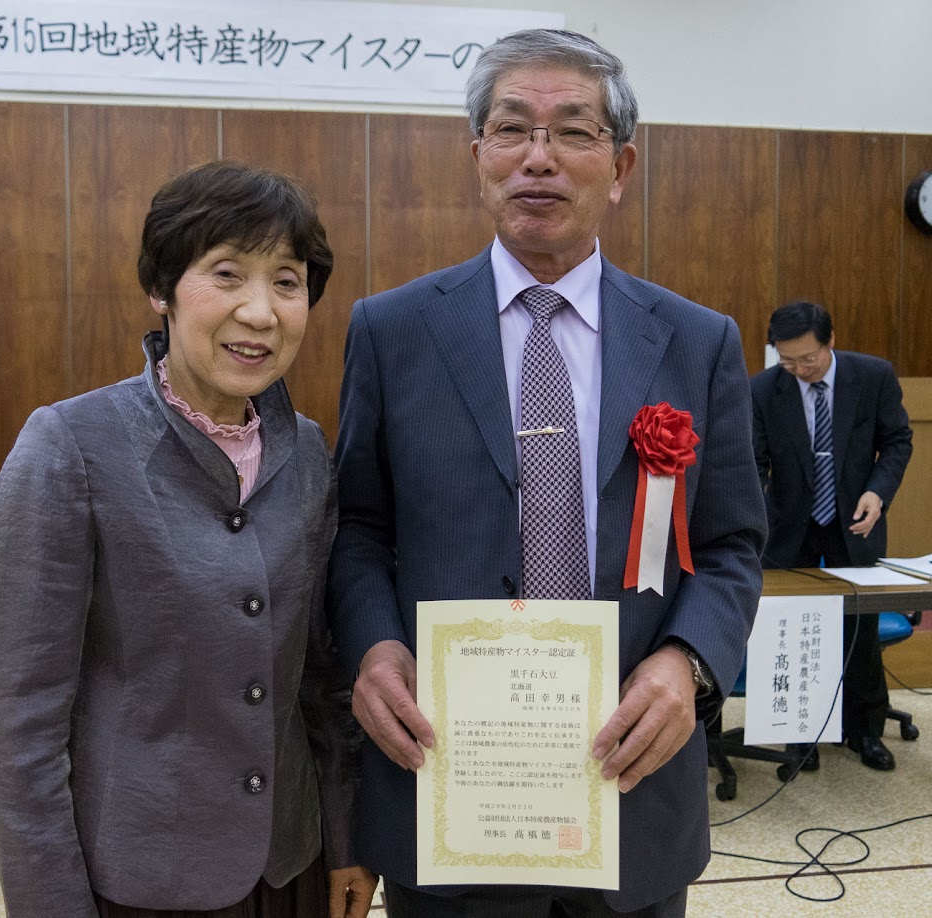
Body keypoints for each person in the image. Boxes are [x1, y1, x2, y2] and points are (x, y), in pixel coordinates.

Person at [328, 29, 766, 917]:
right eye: (511, 130)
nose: (539, 159)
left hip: (628, 783)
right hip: (449, 780)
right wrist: (372, 648)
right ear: (477, 156)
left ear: (621, 165)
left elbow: (729, 545)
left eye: (573, 132)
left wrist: (687, 662)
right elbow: (356, 531)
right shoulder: (392, 330)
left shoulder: (696, 340)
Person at [0, 160, 377, 918]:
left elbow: (317, 680)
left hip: (288, 863)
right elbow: (25, 728)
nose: (260, 312)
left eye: (286, 282)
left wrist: (343, 838)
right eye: (226, 274)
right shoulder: (70, 445)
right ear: (161, 289)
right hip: (142, 878)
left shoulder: (307, 451)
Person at [750, 301, 914, 771]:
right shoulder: (763, 390)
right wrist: (758, 519)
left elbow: (898, 441)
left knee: (858, 630)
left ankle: (865, 731)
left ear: (831, 341)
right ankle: (796, 735)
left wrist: (877, 493)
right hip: (789, 528)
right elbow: (755, 463)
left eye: (808, 360)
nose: (798, 370)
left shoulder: (873, 376)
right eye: (786, 361)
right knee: (790, 629)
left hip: (854, 520)